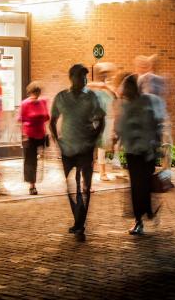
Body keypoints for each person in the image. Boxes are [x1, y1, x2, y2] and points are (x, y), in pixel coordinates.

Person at [50, 64, 106, 241]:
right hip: (68, 148)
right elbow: (52, 120)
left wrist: (93, 139)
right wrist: (57, 140)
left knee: (85, 186)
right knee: (70, 186)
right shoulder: (62, 97)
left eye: (85, 78)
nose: (84, 81)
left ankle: (80, 222)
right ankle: (78, 217)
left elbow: (101, 120)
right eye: (81, 77)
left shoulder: (91, 97)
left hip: (85, 148)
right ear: (71, 78)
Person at [115, 74, 165, 235]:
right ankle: (140, 218)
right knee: (137, 186)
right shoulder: (125, 106)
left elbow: (156, 122)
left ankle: (147, 210)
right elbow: (119, 127)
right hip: (133, 151)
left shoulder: (148, 101)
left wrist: (157, 143)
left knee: (144, 184)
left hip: (146, 151)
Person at [19, 82, 50, 195]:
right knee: (31, 161)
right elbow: (21, 119)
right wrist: (23, 135)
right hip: (29, 135)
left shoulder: (43, 102)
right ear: (30, 92)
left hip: (41, 134)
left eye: (37, 92)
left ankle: (34, 181)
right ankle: (32, 185)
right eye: (34, 92)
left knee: (38, 161)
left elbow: (47, 117)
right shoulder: (25, 104)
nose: (36, 95)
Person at [88, 63, 117, 181]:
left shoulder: (110, 89)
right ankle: (102, 172)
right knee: (101, 147)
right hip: (100, 120)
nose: (109, 78)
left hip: (110, 119)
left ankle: (107, 168)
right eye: (105, 74)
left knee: (107, 145)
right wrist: (102, 86)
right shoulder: (98, 89)